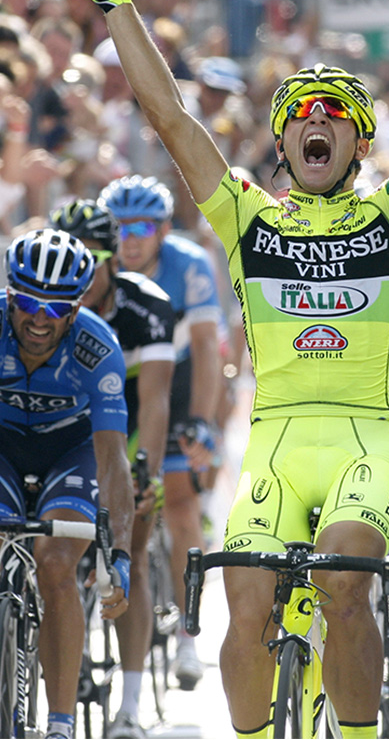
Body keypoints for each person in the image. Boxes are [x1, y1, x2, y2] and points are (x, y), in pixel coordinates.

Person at [62, 0, 389, 739]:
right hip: (275, 446)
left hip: (362, 439)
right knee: (243, 606)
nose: (316, 118)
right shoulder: (248, 220)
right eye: (301, 113)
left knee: (348, 582)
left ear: (356, 146)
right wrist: (117, 9)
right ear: (283, 141)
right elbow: (172, 119)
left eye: (336, 114)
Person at [0, 228, 134, 740]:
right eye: (28, 303)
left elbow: (113, 459)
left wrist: (117, 554)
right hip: (4, 448)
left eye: (56, 309)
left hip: (69, 451)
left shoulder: (98, 349)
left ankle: (59, 724)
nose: (39, 319)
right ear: (11, 295)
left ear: (76, 309)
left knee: (56, 565)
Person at [50, 199, 175, 739]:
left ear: (112, 260)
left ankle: (128, 704)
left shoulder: (146, 306)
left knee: (135, 545)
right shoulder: (47, 302)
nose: (80, 273)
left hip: (126, 418)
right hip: (68, 426)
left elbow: (155, 402)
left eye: (93, 259)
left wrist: (143, 469)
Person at [97, 174, 222, 691]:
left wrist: (201, 422)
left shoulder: (189, 265)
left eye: (143, 226)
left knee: (178, 501)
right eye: (119, 227)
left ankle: (189, 638)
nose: (130, 238)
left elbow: (209, 349)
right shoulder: (98, 267)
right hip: (115, 375)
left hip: (177, 375)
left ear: (165, 229)